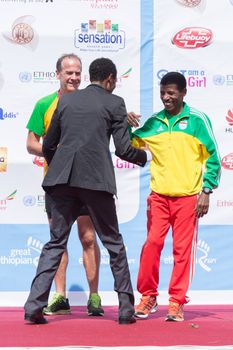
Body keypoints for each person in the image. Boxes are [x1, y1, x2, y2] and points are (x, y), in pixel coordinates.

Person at [24, 57, 150, 325]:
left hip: (61, 182)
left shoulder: (66, 101)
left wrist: (58, 163)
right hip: (96, 181)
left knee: (55, 243)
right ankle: (126, 309)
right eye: (114, 81)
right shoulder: (115, 103)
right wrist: (147, 158)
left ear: (89, 76)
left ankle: (34, 305)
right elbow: (125, 150)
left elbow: (49, 144)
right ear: (110, 80)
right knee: (114, 244)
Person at [130, 72, 221, 322]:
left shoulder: (197, 120)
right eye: (163, 92)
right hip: (158, 197)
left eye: (171, 93)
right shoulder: (154, 122)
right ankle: (148, 296)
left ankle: (176, 301)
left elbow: (213, 158)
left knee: (183, 251)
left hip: (189, 198)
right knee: (152, 245)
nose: (166, 97)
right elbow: (128, 143)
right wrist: (125, 124)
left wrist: (206, 191)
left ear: (183, 93)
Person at [26, 53, 104, 317]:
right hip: (57, 183)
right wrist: (57, 152)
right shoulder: (45, 104)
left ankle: (94, 297)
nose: (73, 77)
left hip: (86, 182)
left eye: (77, 73)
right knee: (58, 241)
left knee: (89, 238)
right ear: (57, 74)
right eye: (68, 73)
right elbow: (31, 143)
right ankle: (60, 297)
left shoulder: (91, 103)